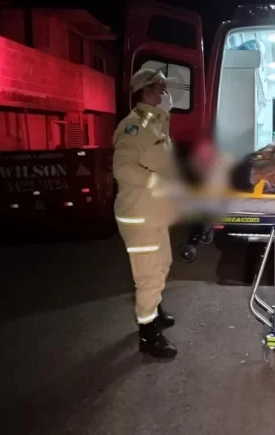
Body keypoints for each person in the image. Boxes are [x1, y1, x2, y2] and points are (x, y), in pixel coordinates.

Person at [112, 68, 179, 359]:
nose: (166, 94)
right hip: (139, 215)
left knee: (163, 263)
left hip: (154, 213)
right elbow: (122, 168)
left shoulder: (156, 123)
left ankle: (154, 308)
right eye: (161, 88)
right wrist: (157, 182)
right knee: (148, 277)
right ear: (148, 91)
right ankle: (148, 334)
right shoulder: (134, 126)